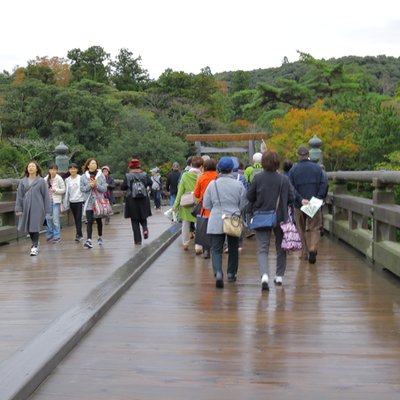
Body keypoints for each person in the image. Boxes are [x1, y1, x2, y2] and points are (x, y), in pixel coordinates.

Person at [247, 151, 294, 290]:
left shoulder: (258, 178)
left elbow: (249, 196)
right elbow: (291, 198)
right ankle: (279, 276)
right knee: (281, 247)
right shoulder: (284, 179)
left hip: (262, 216)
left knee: (262, 248)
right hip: (281, 217)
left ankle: (264, 275)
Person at [203, 156, 248, 288]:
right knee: (233, 248)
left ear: (219, 169)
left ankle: (218, 272)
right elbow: (243, 204)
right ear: (231, 170)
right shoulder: (238, 184)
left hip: (216, 218)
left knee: (216, 249)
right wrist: (235, 210)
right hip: (233, 218)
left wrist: (217, 209)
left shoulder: (212, 184)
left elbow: (206, 204)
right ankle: (231, 274)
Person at [289, 145, 328, 264]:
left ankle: (304, 252)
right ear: (308, 155)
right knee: (315, 227)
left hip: (299, 204)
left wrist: (300, 199)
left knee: (300, 228)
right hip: (314, 203)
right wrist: (318, 198)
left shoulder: (293, 170)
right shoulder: (317, 169)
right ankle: (313, 248)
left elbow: (291, 187)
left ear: (298, 156)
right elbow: (324, 184)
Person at [15, 161, 51, 256]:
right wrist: (19, 209)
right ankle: (35, 243)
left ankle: (34, 246)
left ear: (36, 169)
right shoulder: (22, 181)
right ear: (27, 169)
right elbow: (19, 196)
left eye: (33, 166)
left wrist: (47, 210)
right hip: (26, 207)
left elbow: (46, 196)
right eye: (29, 166)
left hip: (38, 207)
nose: (30, 167)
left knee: (34, 226)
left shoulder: (41, 181)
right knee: (29, 227)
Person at [173, 156, 203, 251]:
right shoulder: (202, 176)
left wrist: (175, 205)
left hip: (186, 203)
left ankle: (185, 243)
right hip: (198, 203)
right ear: (201, 166)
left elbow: (180, 191)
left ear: (191, 165)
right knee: (199, 225)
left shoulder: (185, 176)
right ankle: (198, 246)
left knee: (185, 224)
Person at [121, 158, 152, 245]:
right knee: (143, 217)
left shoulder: (128, 176)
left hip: (132, 200)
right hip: (143, 198)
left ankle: (137, 240)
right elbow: (150, 183)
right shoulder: (144, 174)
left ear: (130, 167)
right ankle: (145, 229)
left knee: (134, 220)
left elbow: (123, 187)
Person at [193, 158, 218, 258]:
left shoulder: (201, 177)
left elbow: (196, 193)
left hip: (205, 208)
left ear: (205, 167)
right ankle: (217, 249)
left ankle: (206, 251)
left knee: (205, 230)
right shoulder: (218, 177)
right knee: (217, 230)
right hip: (217, 207)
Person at [80, 158, 108, 249]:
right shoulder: (83, 177)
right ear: (88, 165)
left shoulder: (101, 176)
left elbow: (104, 189)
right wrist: (90, 185)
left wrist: (96, 185)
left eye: (95, 163)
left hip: (98, 201)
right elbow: (82, 189)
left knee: (99, 220)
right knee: (89, 221)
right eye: (92, 163)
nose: (94, 164)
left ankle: (100, 237)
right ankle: (89, 240)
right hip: (88, 201)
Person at [44, 163, 66, 243]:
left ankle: (57, 236)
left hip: (56, 201)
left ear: (56, 170)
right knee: (47, 219)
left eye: (54, 169)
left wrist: (55, 190)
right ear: (49, 170)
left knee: (55, 219)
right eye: (51, 169)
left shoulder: (59, 178)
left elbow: (64, 190)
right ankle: (50, 235)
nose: (53, 171)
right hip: (47, 201)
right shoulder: (45, 179)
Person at [63, 162, 85, 241]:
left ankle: (78, 234)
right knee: (76, 218)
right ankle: (80, 234)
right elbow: (66, 192)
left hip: (80, 200)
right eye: (71, 169)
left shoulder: (81, 178)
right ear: (69, 170)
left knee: (78, 218)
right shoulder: (67, 180)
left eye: (74, 168)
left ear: (77, 170)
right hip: (72, 201)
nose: (73, 170)